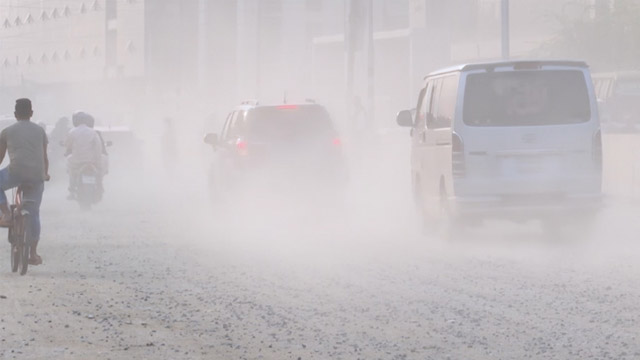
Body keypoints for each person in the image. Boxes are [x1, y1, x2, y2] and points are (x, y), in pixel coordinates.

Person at [0, 98, 49, 265]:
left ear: (15, 114)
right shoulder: (40, 131)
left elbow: (0, 158)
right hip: (37, 175)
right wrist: (46, 174)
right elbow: (44, 157)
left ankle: (5, 213)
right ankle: (33, 254)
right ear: (32, 113)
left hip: (15, 173)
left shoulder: (7, 131)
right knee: (34, 212)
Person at [65, 111, 102, 199]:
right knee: (99, 171)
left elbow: (68, 145)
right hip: (91, 160)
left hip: (76, 161)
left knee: (70, 170)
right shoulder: (93, 132)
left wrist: (67, 152)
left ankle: (72, 190)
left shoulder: (72, 132)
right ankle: (99, 187)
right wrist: (97, 158)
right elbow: (98, 146)